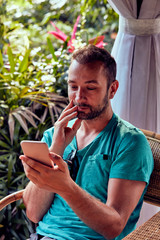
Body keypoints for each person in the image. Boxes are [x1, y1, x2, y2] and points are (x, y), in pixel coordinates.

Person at [20, 45, 153, 240]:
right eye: (73, 87)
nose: (78, 97)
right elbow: (33, 213)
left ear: (112, 89)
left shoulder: (129, 143)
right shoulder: (53, 136)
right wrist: (56, 148)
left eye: (90, 88)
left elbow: (114, 226)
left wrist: (65, 186)